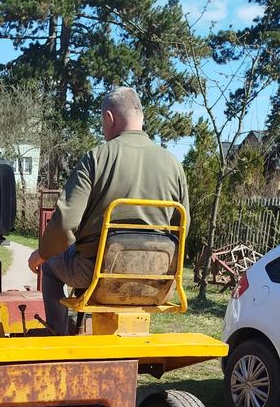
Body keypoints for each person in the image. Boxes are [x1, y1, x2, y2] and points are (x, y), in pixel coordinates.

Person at [28, 87, 190, 334]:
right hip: (156, 280)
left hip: (97, 274)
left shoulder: (96, 158)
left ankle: (58, 336)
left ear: (109, 118)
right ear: (141, 117)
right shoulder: (173, 164)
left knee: (50, 265)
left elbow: (64, 225)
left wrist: (41, 253)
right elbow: (183, 227)